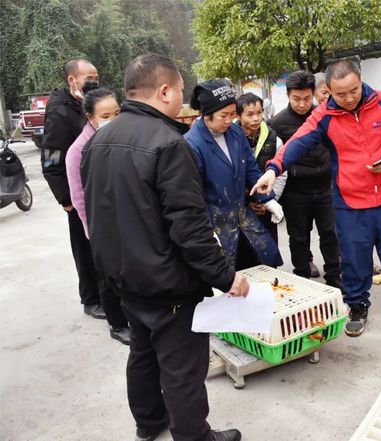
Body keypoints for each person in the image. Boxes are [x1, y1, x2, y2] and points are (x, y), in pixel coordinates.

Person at [81, 54, 245, 441]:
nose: (182, 101)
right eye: (180, 92)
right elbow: (189, 226)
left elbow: (99, 214)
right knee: (181, 367)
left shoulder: (99, 140)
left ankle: (149, 424)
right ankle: (194, 436)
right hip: (168, 282)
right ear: (165, 90)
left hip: (124, 276)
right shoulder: (169, 144)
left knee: (142, 354)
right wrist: (224, 275)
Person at [252, 60, 381, 337]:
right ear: (328, 90)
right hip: (350, 202)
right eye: (341, 94)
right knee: (353, 258)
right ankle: (357, 305)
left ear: (360, 80)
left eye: (353, 90)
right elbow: (297, 143)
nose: (349, 98)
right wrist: (273, 169)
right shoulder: (324, 116)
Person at [184, 79, 284, 270]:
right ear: (207, 114)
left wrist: (268, 199)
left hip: (243, 217)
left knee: (263, 266)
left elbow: (251, 170)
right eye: (224, 115)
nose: (229, 120)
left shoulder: (235, 133)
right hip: (216, 223)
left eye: (232, 114)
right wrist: (205, 232)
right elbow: (192, 195)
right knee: (227, 275)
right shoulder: (192, 144)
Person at [41, 58, 106, 319]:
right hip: (76, 194)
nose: (94, 80)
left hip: (98, 190)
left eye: (96, 75)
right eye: (89, 76)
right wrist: (65, 199)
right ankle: (91, 300)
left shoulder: (88, 104)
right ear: (72, 80)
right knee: (84, 247)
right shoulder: (60, 111)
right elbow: (52, 156)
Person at [65, 85, 130, 344]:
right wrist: (93, 232)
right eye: (105, 116)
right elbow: (79, 199)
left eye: (116, 113)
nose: (112, 120)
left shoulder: (122, 139)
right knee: (107, 278)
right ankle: (117, 325)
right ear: (90, 118)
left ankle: (131, 318)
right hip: (101, 226)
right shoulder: (77, 151)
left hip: (126, 219)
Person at [268, 70, 342, 288]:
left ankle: (334, 277)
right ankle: (302, 277)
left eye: (307, 99)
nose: (302, 104)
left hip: (325, 188)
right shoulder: (278, 123)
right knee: (298, 237)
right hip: (296, 193)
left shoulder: (324, 116)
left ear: (313, 95)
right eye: (296, 99)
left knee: (330, 234)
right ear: (288, 95)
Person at [235, 92, 287, 243]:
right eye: (250, 114)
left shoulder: (274, 139)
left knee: (268, 254)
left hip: (265, 209)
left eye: (259, 112)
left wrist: (270, 202)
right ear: (238, 116)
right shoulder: (230, 139)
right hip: (240, 210)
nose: (256, 118)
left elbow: (281, 174)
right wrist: (244, 202)